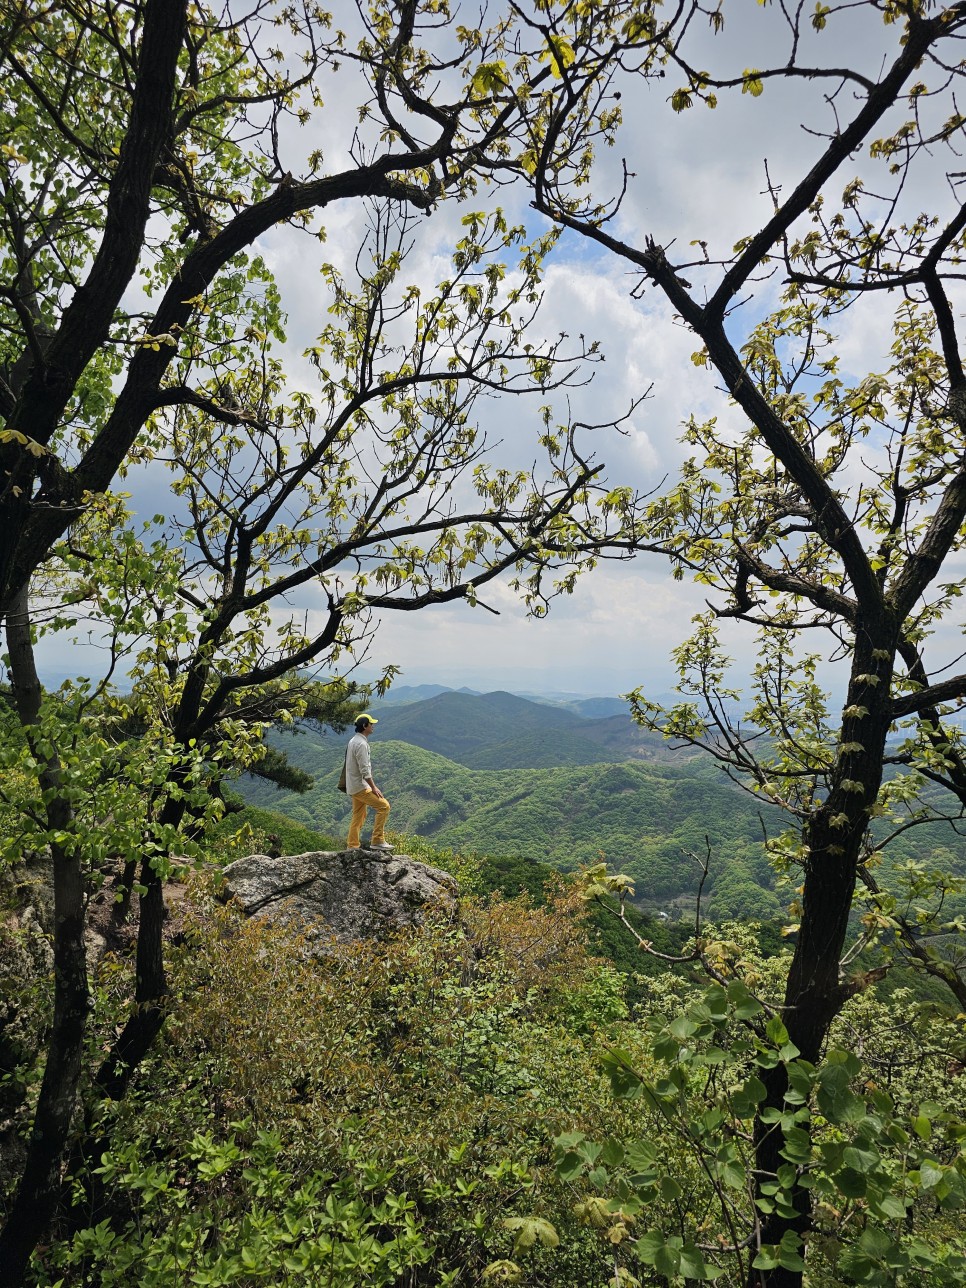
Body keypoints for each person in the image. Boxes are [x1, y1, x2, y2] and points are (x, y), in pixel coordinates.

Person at [345, 713, 392, 850]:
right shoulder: (361, 744)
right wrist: (374, 787)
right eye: (371, 724)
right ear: (365, 726)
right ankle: (377, 840)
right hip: (360, 786)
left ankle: (352, 846)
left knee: (358, 815)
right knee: (384, 806)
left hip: (353, 785)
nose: (373, 726)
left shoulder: (353, 741)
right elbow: (365, 769)